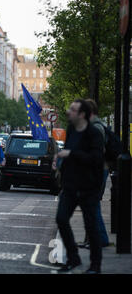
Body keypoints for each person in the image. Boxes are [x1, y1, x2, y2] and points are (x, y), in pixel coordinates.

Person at [53, 99, 104, 274]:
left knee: (91, 227)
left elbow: (96, 159)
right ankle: (73, 258)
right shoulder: (71, 130)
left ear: (82, 114)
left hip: (88, 187)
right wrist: (59, 161)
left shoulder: (94, 134)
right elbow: (68, 153)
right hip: (70, 186)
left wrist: (71, 154)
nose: (69, 112)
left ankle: (95, 266)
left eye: (73, 110)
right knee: (61, 219)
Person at [78, 99, 110, 249]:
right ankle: (91, 239)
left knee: (92, 205)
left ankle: (100, 239)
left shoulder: (97, 128)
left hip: (97, 171)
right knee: (91, 206)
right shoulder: (93, 126)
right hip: (94, 170)